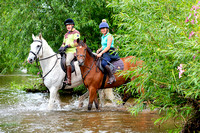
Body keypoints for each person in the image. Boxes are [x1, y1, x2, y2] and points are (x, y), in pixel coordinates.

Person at [96, 19, 119, 84]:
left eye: (103, 29)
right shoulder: (103, 36)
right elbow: (103, 46)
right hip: (105, 51)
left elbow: (108, 46)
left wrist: (101, 53)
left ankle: (112, 77)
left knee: (103, 63)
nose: (102, 30)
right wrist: (99, 50)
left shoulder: (109, 36)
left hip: (110, 52)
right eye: (101, 29)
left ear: (107, 29)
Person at [59, 18, 80, 85]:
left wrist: (67, 46)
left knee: (67, 61)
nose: (68, 26)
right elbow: (63, 43)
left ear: (72, 25)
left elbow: (76, 43)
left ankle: (69, 80)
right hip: (66, 52)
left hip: (73, 51)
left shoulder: (76, 33)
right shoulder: (66, 35)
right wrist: (61, 47)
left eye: (69, 25)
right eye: (67, 25)